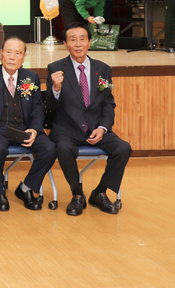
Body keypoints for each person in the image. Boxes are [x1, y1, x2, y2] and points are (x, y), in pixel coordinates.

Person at [47, 22, 132, 216]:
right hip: (67, 130)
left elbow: (108, 104)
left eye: (82, 39)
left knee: (123, 148)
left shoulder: (103, 69)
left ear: (90, 42)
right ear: (65, 44)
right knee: (63, 148)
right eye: (72, 40)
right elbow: (51, 106)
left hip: (96, 128)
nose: (78, 44)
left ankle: (99, 192)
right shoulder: (56, 68)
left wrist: (102, 128)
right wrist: (56, 88)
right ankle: (77, 194)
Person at [0, 37, 56, 211]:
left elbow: (38, 108)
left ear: (24, 57)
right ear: (1, 54)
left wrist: (35, 129)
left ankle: (26, 188)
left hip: (23, 128)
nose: (12, 57)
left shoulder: (31, 77)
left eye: (17, 53)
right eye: (8, 52)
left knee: (49, 148)